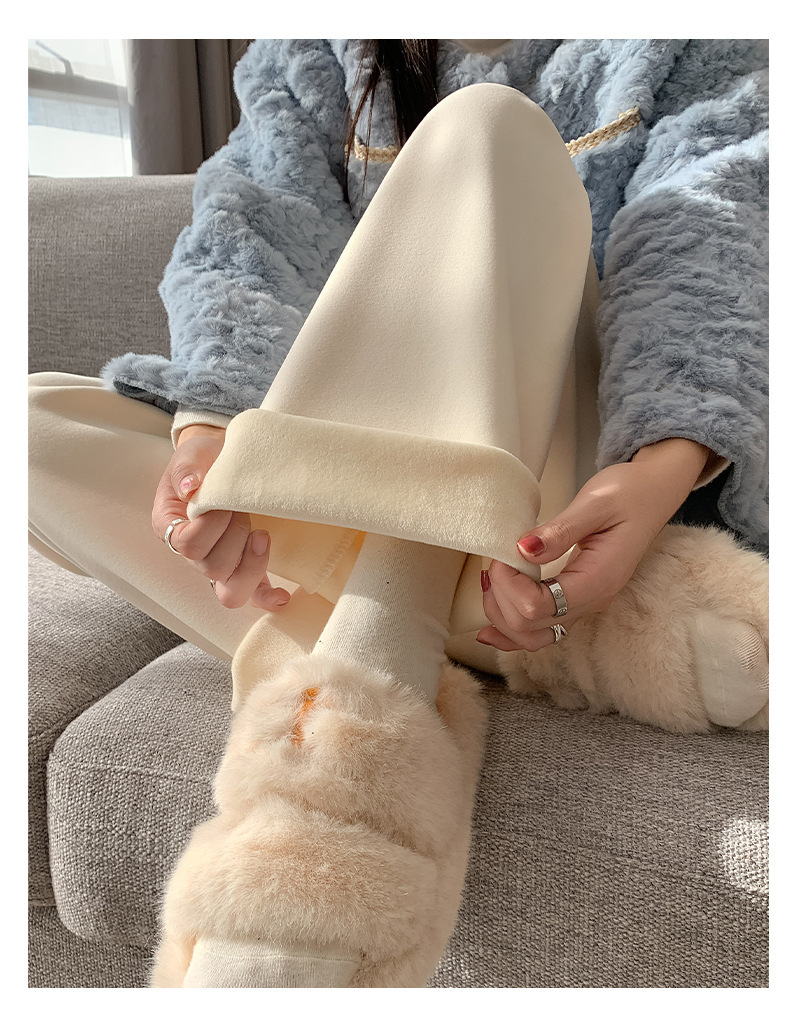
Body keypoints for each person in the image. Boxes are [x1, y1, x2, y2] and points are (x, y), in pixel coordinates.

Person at [28, 39, 769, 988]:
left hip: (573, 468)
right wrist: (209, 432)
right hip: (384, 485)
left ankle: (324, 814)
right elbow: (253, 228)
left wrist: (663, 464)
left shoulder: (685, 38)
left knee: (484, 130)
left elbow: (713, 225)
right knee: (33, 423)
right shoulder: (315, 52)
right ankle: (514, 628)